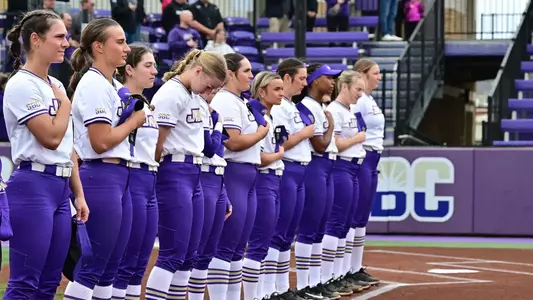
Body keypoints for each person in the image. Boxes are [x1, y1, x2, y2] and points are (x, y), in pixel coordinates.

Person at [3, 9, 89, 299]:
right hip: (32, 186)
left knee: (50, 282)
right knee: (25, 282)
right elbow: (51, 138)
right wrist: (65, 103)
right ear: (36, 40)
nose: (66, 42)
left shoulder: (56, 84)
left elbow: (68, 149)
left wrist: (78, 194)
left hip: (61, 188)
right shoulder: (21, 84)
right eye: (60, 36)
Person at [63, 18, 145, 299]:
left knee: (110, 267)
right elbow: (100, 142)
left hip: (119, 176)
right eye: (120, 42)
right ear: (99, 47)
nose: (126, 48)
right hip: (101, 176)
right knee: (93, 265)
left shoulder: (109, 84)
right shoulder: (94, 84)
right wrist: (134, 121)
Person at [145, 48, 227, 299]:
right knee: (173, 253)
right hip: (174, 171)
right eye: (209, 86)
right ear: (198, 71)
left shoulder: (193, 96)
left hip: (194, 173)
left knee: (190, 254)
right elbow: (157, 143)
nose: (210, 93)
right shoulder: (172, 92)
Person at [207, 53, 267, 300]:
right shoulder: (226, 100)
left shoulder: (239, 101)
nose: (251, 76)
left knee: (236, 248)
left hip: (248, 175)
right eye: (246, 71)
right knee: (226, 245)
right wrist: (263, 133)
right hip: (234, 174)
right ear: (230, 73)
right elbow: (232, 142)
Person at [294, 63, 349, 299]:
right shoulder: (306, 106)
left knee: (319, 228)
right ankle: (305, 285)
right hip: (315, 165)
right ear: (315, 81)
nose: (333, 82)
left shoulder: (319, 106)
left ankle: (316, 282)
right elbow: (319, 144)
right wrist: (332, 127)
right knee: (310, 228)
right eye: (328, 77)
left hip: (326, 167)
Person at [263, 58, 314, 299]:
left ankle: (281, 287)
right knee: (279, 231)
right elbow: (280, 142)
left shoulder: (292, 106)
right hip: (288, 168)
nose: (305, 83)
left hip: (299, 170)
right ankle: (270, 289)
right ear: (286, 78)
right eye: (301, 78)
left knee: (288, 232)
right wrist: (305, 133)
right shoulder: (280, 106)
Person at [111, 44, 159, 299]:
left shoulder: (146, 104)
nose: (154, 71)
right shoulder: (120, 98)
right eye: (148, 65)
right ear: (129, 69)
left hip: (149, 179)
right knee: (126, 259)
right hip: (130, 177)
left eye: (154, 65)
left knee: (140, 261)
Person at [320, 70, 368, 293]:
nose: (361, 94)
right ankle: (329, 277)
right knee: (337, 222)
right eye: (358, 89)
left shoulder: (351, 110)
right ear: (345, 86)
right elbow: (334, 144)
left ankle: (341, 274)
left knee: (347, 223)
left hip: (354, 168)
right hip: (341, 167)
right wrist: (357, 138)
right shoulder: (333, 110)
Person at [241, 71, 285, 300]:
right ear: (261, 91)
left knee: (265, 240)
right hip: (262, 179)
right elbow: (260, 157)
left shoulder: (270, 115)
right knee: (258, 242)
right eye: (276, 89)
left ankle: (263, 293)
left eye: (281, 88)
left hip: (273, 178)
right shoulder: (254, 114)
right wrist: (280, 153)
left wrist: (276, 154)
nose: (281, 93)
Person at [187, 88, 231, 300]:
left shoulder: (210, 112)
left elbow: (218, 155)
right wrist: (219, 122)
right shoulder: (200, 109)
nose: (213, 90)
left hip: (217, 179)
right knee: (192, 251)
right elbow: (211, 148)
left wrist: (224, 190)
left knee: (207, 252)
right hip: (201, 177)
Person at [348, 58, 384, 286]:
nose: (379, 77)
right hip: (363, 157)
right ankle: (347, 270)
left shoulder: (368, 99)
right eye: (376, 73)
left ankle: (355, 267)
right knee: (354, 215)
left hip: (372, 158)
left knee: (362, 217)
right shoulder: (360, 100)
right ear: (363, 73)